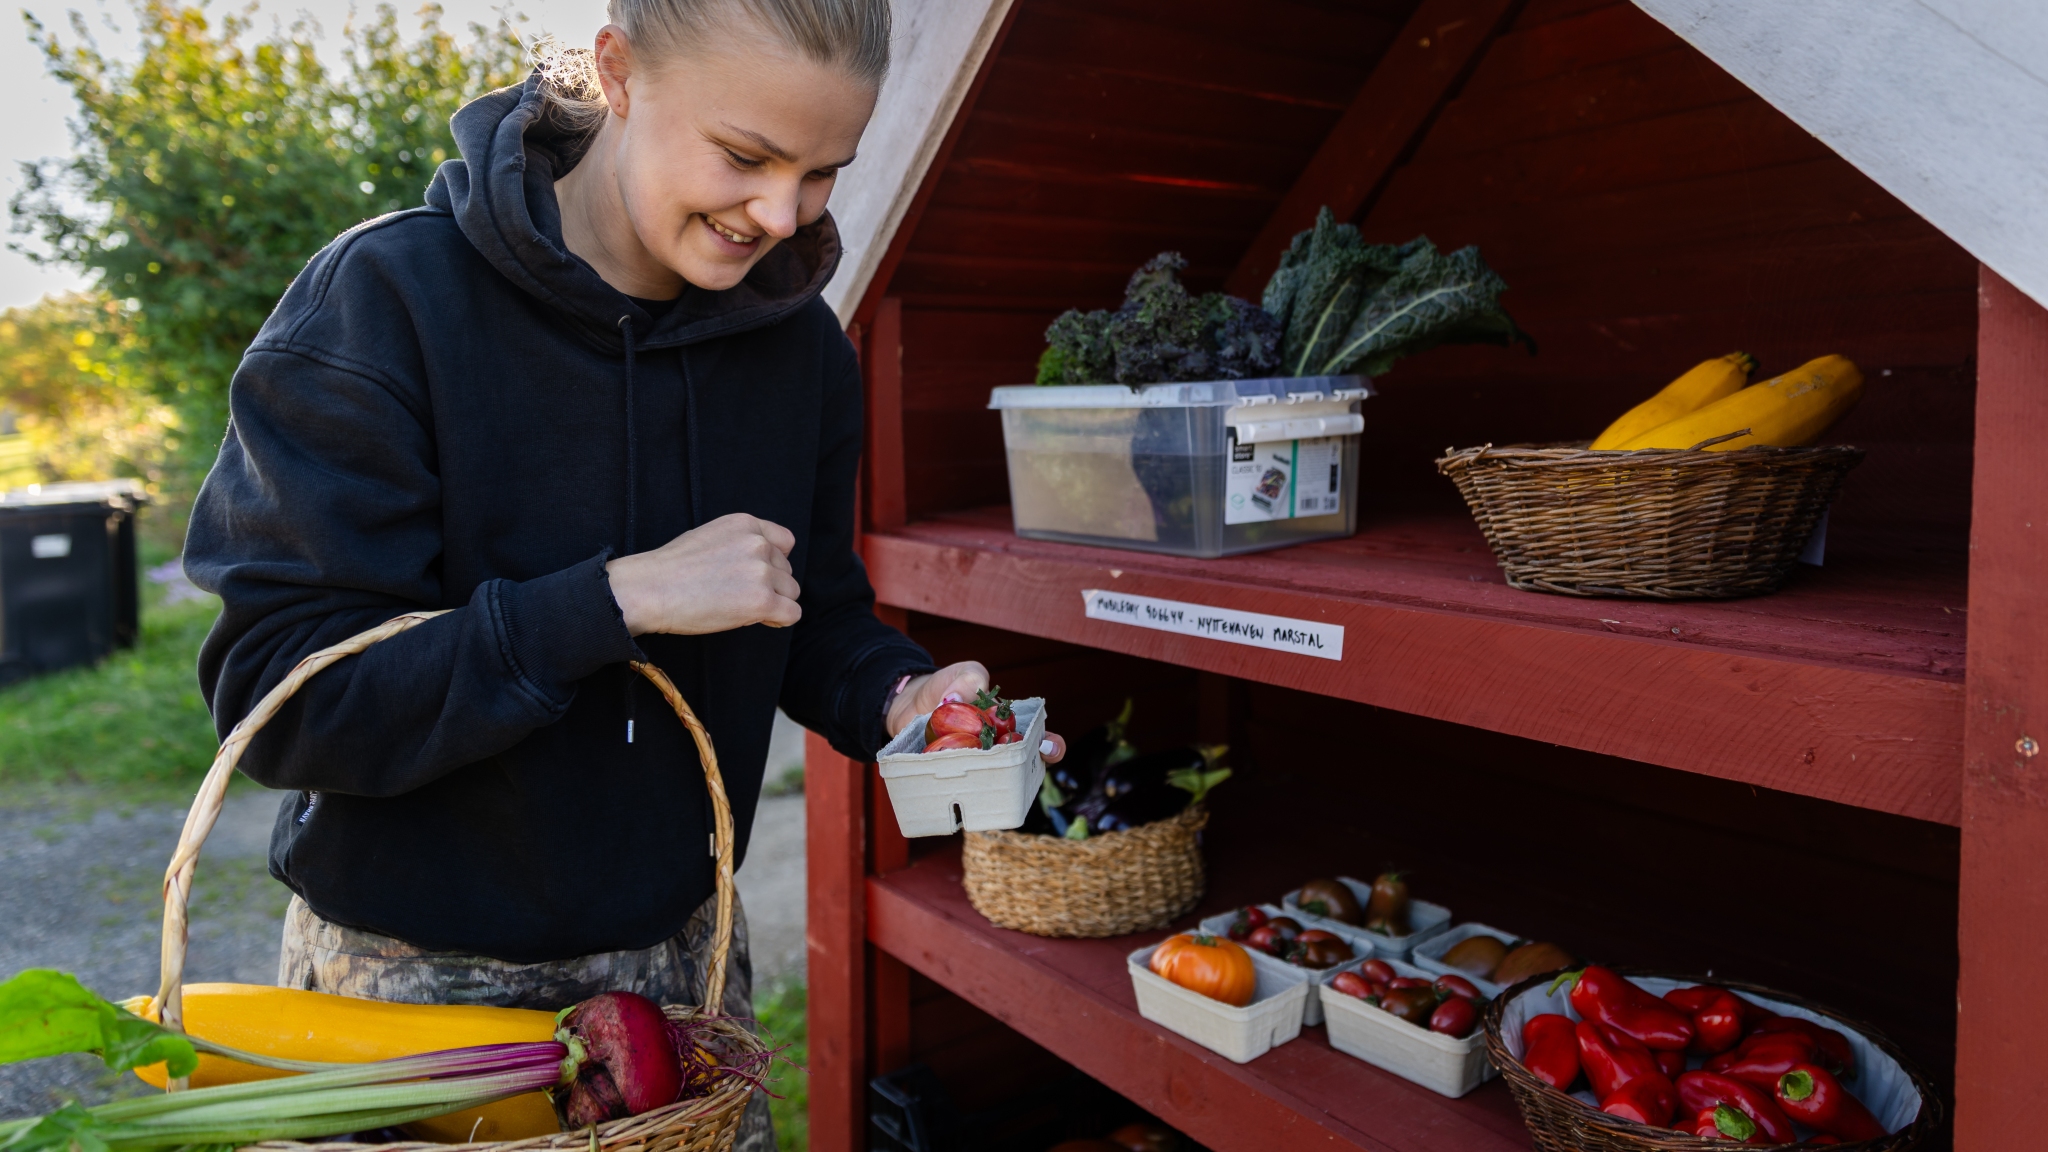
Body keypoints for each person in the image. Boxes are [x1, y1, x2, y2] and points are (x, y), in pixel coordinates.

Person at [184, 1, 1061, 1145]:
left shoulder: (799, 351)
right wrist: (612, 602)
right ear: (618, 70)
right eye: (745, 156)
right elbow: (277, 700)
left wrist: (901, 696)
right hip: (405, 993)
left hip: (685, 977)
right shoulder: (383, 303)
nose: (779, 214)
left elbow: (812, 609)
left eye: (822, 172)